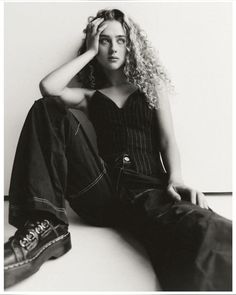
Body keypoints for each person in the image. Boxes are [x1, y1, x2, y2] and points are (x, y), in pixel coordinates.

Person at [4, 8, 232, 291]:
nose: (113, 48)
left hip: (148, 189)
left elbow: (167, 140)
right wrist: (89, 52)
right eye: (104, 39)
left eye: (121, 40)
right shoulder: (90, 97)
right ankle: (46, 227)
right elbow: (48, 87)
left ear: (132, 45)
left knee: (209, 230)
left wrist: (176, 178)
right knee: (47, 108)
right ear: (93, 43)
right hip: (103, 192)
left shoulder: (150, 88)